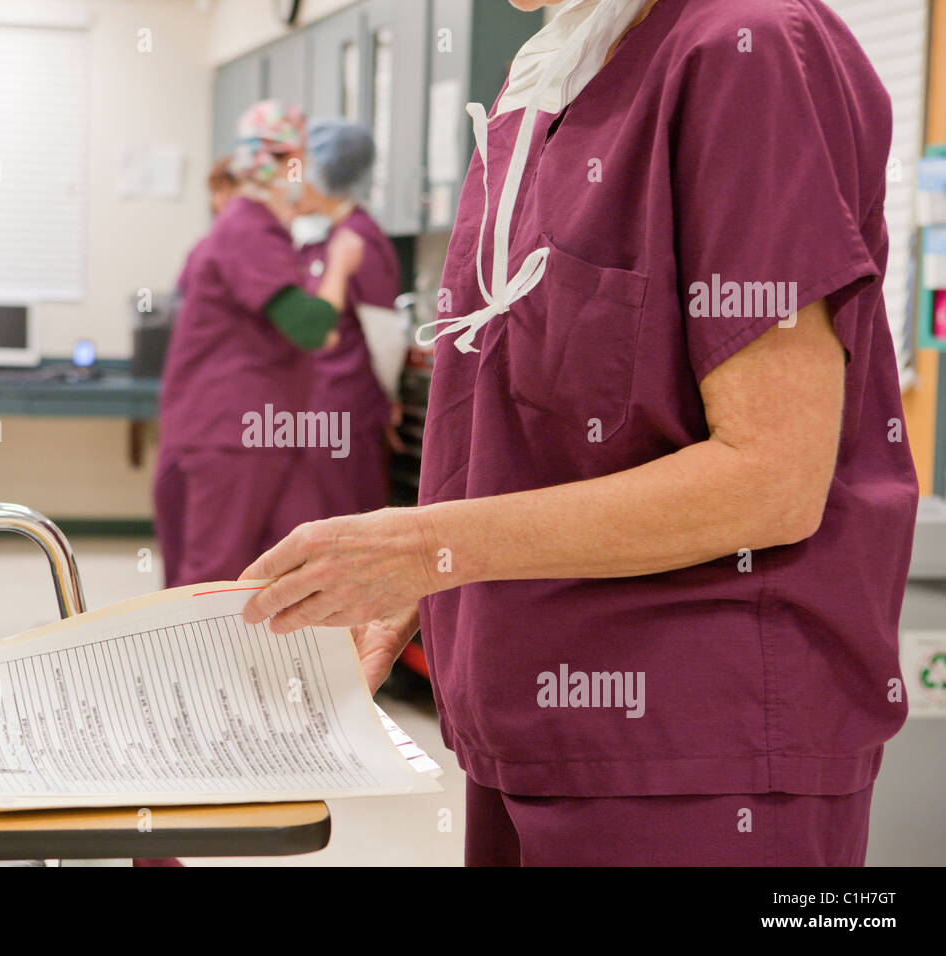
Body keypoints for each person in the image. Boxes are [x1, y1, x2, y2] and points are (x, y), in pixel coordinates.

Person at [240, 0, 917, 866]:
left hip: (695, 754)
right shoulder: (557, 76)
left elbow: (771, 479)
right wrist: (422, 588)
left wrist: (422, 545)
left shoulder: (747, 47)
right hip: (524, 722)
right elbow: (552, 419)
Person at [154, 100, 365, 589]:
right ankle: (199, 667)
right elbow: (311, 328)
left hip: (261, 428)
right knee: (215, 577)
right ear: (283, 161)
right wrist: (338, 266)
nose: (309, 171)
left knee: (279, 571)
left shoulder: (256, 230)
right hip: (233, 432)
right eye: (304, 157)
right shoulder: (248, 228)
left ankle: (277, 668)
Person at [294, 119, 402, 519]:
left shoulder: (360, 239)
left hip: (347, 409)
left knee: (346, 521)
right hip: (319, 406)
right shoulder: (328, 238)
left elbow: (384, 337)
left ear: (323, 176)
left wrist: (386, 398)